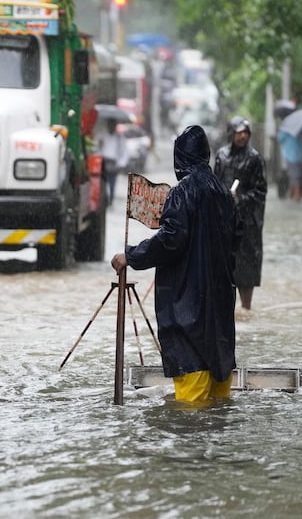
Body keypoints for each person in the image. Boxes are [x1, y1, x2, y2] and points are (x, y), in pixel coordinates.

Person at [111, 125, 240, 406]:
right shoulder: (224, 195)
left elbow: (170, 240)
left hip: (188, 312)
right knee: (220, 409)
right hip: (219, 315)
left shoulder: (182, 193)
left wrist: (130, 256)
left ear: (180, 158)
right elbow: (236, 243)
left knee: (189, 416)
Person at [215, 116, 267, 310]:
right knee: (223, 267)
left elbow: (261, 191)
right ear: (231, 134)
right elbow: (214, 183)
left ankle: (246, 309)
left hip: (248, 224)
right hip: (224, 221)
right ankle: (227, 312)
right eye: (238, 132)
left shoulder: (255, 158)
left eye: (245, 132)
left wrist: (240, 198)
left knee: (246, 271)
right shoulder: (222, 156)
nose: (242, 136)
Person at [97, 119, 127, 206]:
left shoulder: (119, 137)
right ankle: (104, 199)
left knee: (112, 183)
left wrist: (121, 163)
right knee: (103, 182)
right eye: (110, 125)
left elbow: (123, 151)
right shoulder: (103, 136)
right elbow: (98, 148)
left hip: (114, 163)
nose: (111, 127)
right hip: (104, 162)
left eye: (113, 125)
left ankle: (111, 199)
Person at [277, 127, 302, 202]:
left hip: (290, 155)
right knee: (297, 175)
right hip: (299, 154)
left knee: (294, 176)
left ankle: (297, 195)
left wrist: (279, 132)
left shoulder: (286, 128)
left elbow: (280, 138)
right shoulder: (298, 128)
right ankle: (293, 194)